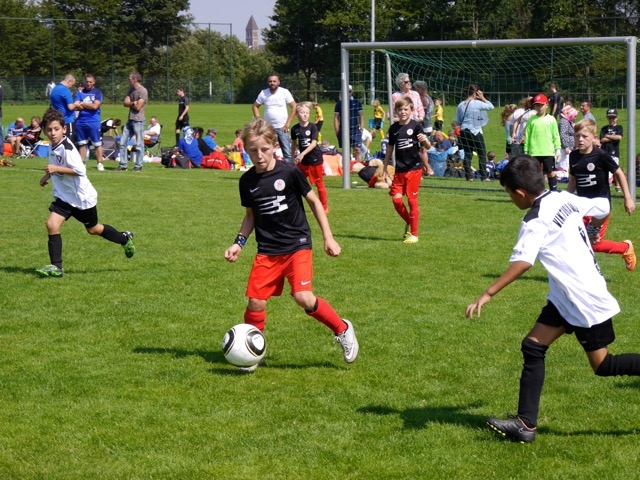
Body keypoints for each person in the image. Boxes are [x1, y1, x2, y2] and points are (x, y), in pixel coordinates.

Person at [466, 154, 640, 444]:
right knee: (533, 346)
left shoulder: (535, 219)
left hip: (583, 298)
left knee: (603, 365)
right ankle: (525, 425)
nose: (511, 198)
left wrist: (488, 293)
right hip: (565, 296)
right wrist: (589, 233)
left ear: (519, 193)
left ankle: (525, 424)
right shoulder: (562, 198)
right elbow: (602, 206)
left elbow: (523, 262)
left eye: (509, 193)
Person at [223, 118, 358, 372]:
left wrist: (328, 237)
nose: (259, 156)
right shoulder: (247, 181)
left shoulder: (290, 172)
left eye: (264, 149)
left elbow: (314, 202)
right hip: (268, 250)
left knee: (303, 297)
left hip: (297, 245)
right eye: (253, 150)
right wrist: (238, 243)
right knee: (256, 302)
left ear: (275, 146)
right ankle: (252, 351)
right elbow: (250, 216)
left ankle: (342, 328)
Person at [36, 108, 135, 278]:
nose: (53, 133)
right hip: (65, 197)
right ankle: (56, 267)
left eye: (56, 129)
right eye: (49, 130)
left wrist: (55, 169)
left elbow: (80, 170)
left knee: (93, 229)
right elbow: (56, 165)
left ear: (64, 129)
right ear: (45, 131)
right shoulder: (53, 145)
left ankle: (124, 238)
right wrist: (47, 176)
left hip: (81, 198)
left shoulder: (67, 148)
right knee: (52, 225)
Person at [567, 118, 635, 272]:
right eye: (577, 136)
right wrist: (565, 200)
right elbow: (573, 180)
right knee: (577, 240)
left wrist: (628, 198)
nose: (580, 140)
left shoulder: (601, 155)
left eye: (585, 136)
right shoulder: (573, 156)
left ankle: (625, 248)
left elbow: (619, 173)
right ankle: (579, 272)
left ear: (594, 137)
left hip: (600, 209)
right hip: (582, 207)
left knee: (594, 244)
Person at [382, 97, 431, 244]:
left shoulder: (416, 126)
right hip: (400, 170)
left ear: (411, 110)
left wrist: (425, 140)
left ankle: (414, 234)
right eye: (400, 109)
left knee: (411, 200)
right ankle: (410, 222)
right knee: (396, 200)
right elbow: (390, 148)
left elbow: (428, 146)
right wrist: (385, 166)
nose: (403, 112)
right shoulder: (394, 128)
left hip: (414, 169)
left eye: (406, 109)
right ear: (396, 111)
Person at [291, 101, 329, 213]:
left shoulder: (313, 127)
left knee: (319, 183)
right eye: (302, 112)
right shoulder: (295, 129)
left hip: (315, 159)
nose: (305, 115)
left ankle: (324, 208)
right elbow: (294, 143)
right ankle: (294, 206)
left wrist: (302, 154)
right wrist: (292, 157)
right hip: (303, 162)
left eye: (307, 113)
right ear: (296, 114)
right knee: (295, 182)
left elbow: (313, 143)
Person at [252, 73, 297, 163]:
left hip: (282, 127)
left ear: (278, 82)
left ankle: (288, 169)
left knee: (287, 152)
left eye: (274, 81)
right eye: (270, 81)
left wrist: (288, 123)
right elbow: (255, 106)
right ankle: (270, 169)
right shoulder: (263, 93)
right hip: (268, 128)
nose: (272, 83)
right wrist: (259, 120)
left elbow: (294, 106)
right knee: (268, 150)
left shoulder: (284, 92)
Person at [454, 84, 494, 182]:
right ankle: (484, 177)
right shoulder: (476, 103)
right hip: (475, 131)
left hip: (464, 131)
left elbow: (458, 121)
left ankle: (469, 177)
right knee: (482, 153)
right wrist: (482, 97)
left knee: (468, 154)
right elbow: (491, 107)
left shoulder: (461, 104)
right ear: (474, 93)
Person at [523, 93, 561, 191]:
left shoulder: (551, 119)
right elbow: (527, 136)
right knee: (535, 174)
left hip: (548, 151)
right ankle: (538, 192)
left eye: (541, 105)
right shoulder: (531, 120)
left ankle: (554, 192)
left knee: (550, 172)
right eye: (537, 105)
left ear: (546, 105)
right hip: (534, 152)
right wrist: (526, 151)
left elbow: (556, 135)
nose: (539, 107)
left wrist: (558, 149)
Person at [117, 71, 148, 172]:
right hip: (130, 119)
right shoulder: (131, 90)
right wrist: (133, 103)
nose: (128, 80)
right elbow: (124, 103)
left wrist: (131, 103)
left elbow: (138, 107)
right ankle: (123, 164)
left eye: (130, 79)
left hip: (138, 121)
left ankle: (138, 165)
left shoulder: (143, 91)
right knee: (122, 142)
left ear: (134, 79)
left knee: (139, 144)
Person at [74, 74, 105, 171]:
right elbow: (76, 106)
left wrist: (83, 103)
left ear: (94, 82)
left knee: (97, 143)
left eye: (90, 82)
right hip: (80, 121)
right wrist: (88, 105)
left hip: (93, 121)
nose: (88, 83)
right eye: (87, 82)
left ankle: (99, 163)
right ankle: (82, 163)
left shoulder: (97, 92)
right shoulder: (79, 92)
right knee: (82, 143)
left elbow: (95, 106)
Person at [333, 85, 364, 159]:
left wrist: (361, 128)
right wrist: (337, 131)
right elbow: (336, 118)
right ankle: (348, 165)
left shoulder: (357, 102)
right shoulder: (339, 104)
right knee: (346, 152)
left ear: (351, 92)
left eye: (349, 91)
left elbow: (361, 116)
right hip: (343, 130)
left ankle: (358, 165)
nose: (348, 93)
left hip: (355, 130)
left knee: (357, 150)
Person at [49, 74, 81, 142]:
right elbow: (70, 107)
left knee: (60, 142)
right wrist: (76, 104)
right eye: (72, 84)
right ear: (69, 81)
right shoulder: (65, 90)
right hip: (68, 120)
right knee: (69, 142)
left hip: (58, 120)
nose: (71, 87)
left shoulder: (55, 89)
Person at [599, 108, 624, 192]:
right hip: (605, 152)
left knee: (615, 170)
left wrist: (608, 136)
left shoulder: (619, 127)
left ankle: (618, 185)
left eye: (613, 117)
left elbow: (619, 137)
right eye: (609, 117)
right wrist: (613, 137)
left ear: (617, 118)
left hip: (614, 153)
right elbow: (602, 140)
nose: (611, 119)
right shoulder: (604, 128)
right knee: (605, 171)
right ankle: (606, 187)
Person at [557, 105, 578, 176]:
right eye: (574, 116)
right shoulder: (564, 122)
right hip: (565, 149)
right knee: (564, 164)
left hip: (569, 148)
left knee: (567, 164)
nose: (575, 118)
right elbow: (563, 134)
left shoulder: (568, 121)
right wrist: (566, 146)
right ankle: (562, 177)